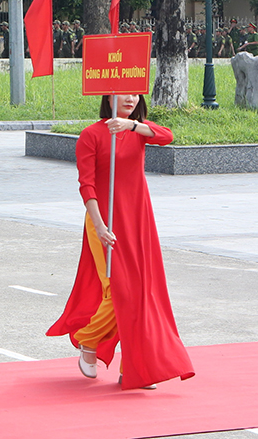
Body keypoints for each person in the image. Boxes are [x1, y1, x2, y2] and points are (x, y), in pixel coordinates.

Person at [46, 94, 194, 390]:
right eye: (122, 92)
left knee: (142, 293)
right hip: (104, 221)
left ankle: (134, 367)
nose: (129, 97)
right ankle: (89, 341)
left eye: (135, 92)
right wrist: (99, 225)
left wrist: (132, 126)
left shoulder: (137, 131)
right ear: (108, 97)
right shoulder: (91, 136)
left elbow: (167, 136)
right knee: (120, 291)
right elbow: (86, 184)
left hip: (138, 220)